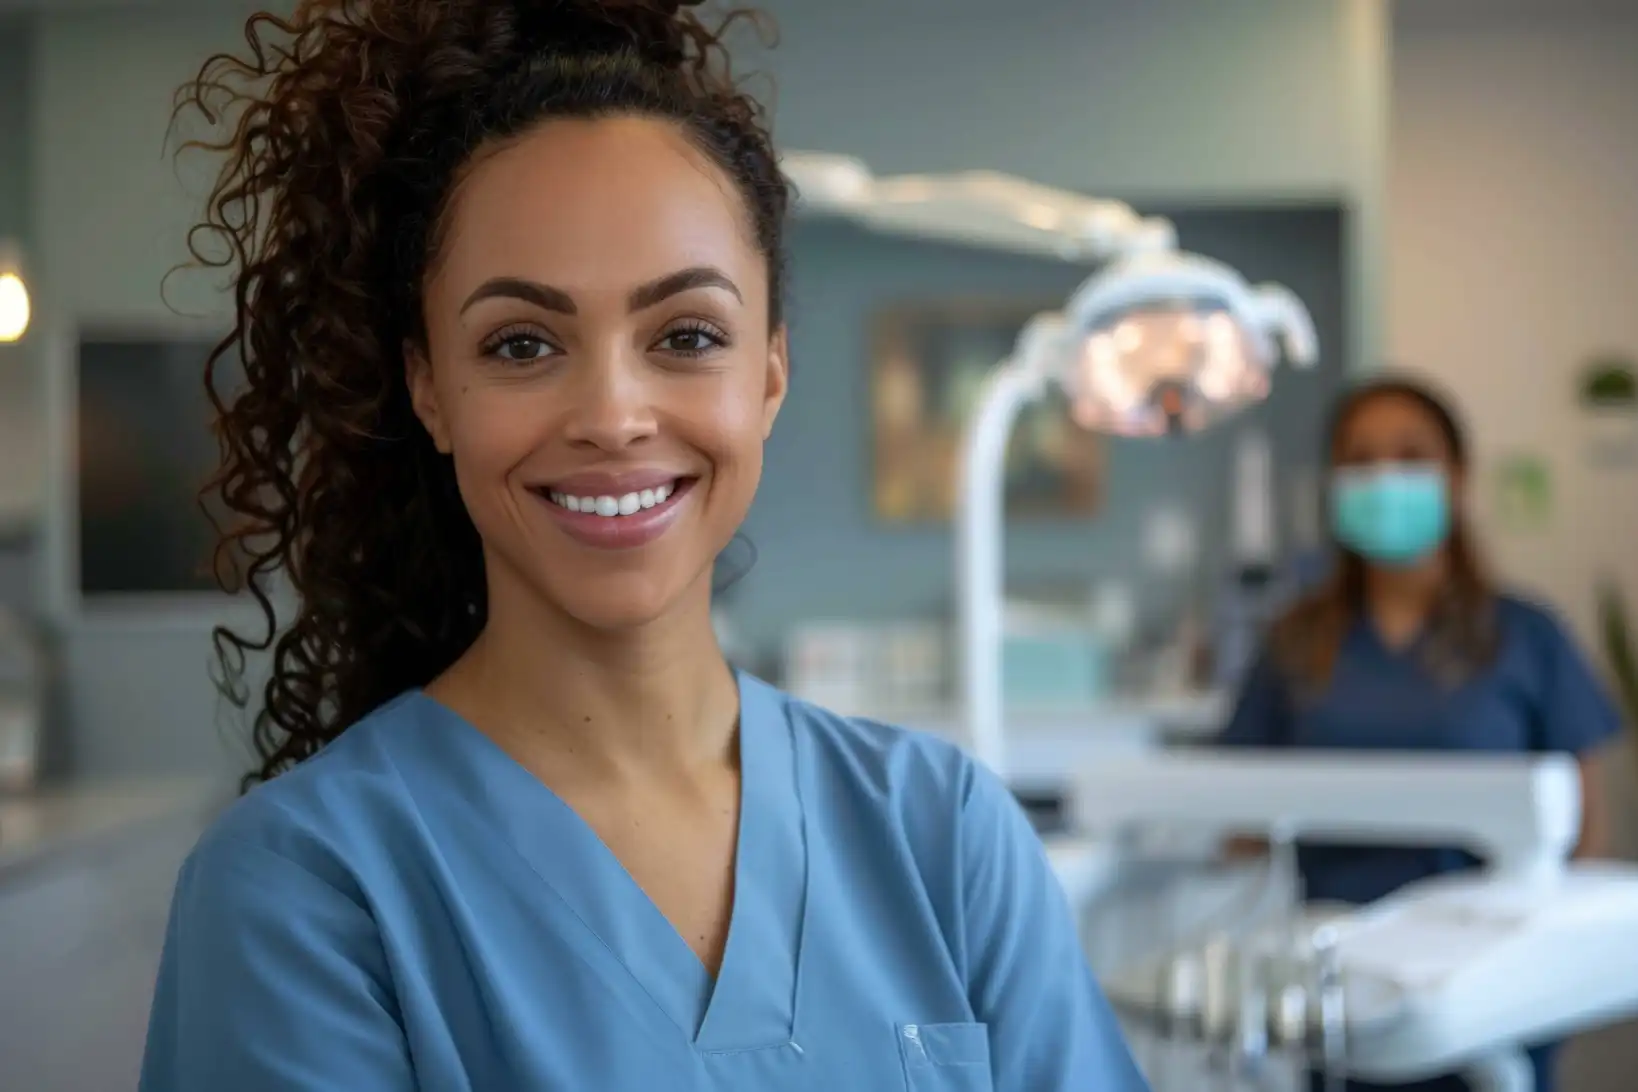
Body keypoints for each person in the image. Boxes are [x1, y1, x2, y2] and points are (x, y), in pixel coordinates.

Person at [137, 3, 1150, 1091]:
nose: (613, 415)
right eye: (522, 343)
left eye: (686, 337)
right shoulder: (307, 893)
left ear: (769, 373)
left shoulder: (943, 840)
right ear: (430, 388)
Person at [1218, 375, 1622, 1092]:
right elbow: (1236, 824)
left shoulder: (1526, 638)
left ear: (1457, 477)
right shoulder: (1293, 643)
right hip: (1332, 993)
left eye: (1410, 456)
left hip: (1491, 991)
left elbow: (1583, 833)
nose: (1384, 478)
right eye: (1361, 461)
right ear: (1333, 482)